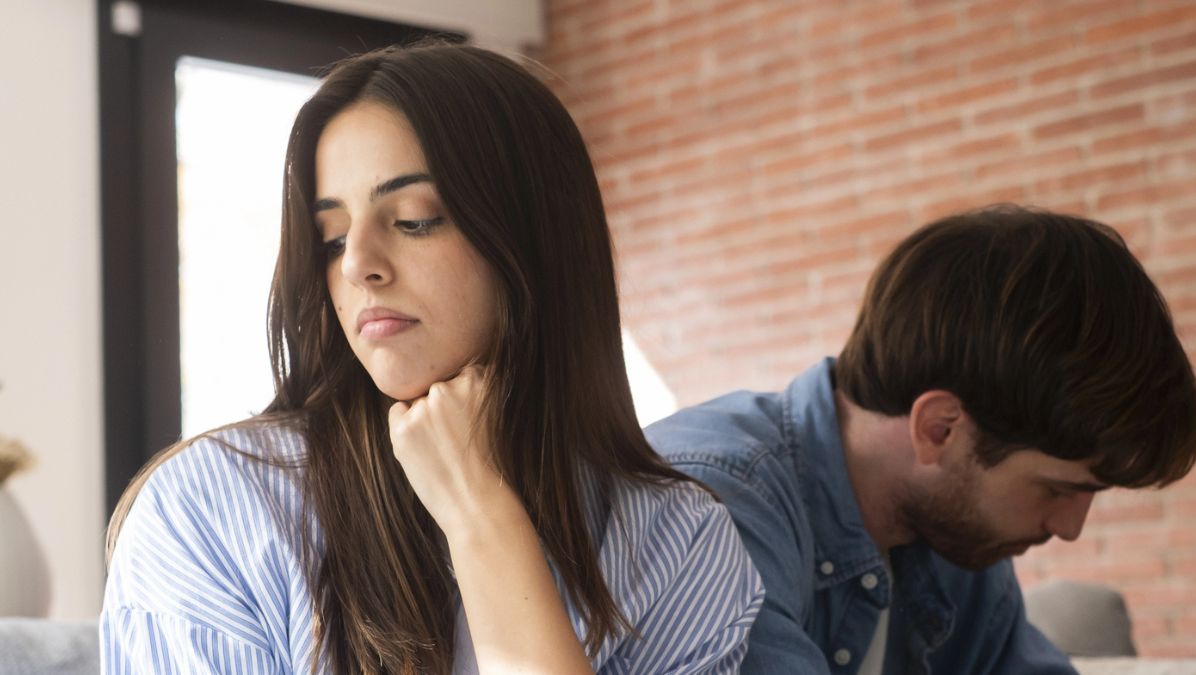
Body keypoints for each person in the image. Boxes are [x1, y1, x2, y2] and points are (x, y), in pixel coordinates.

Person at [101, 43, 763, 675]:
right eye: (331, 237)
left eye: (414, 219)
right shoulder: (213, 511)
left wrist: (483, 516)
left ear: (532, 241)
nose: (357, 262)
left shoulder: (677, 542)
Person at [646, 205, 1196, 675]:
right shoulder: (708, 506)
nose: (1070, 529)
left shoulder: (952, 537)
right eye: (1058, 489)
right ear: (940, 428)